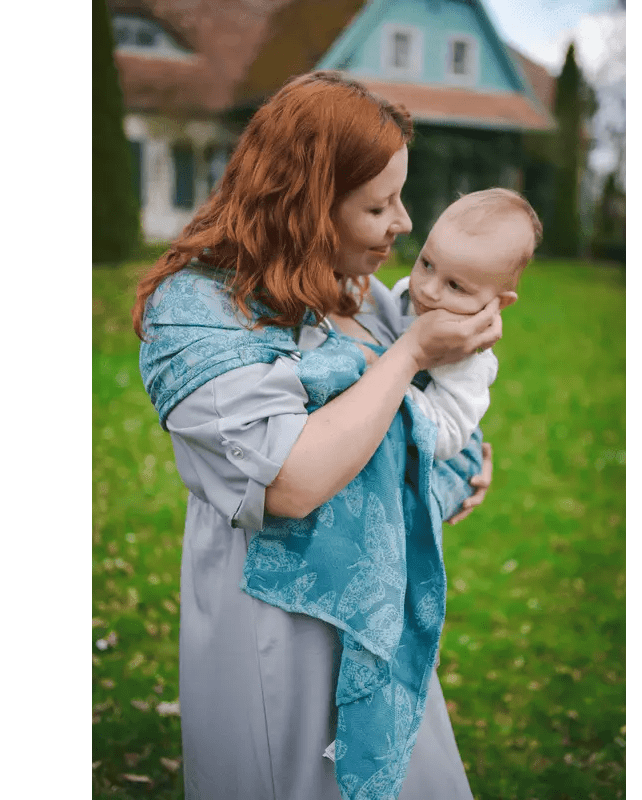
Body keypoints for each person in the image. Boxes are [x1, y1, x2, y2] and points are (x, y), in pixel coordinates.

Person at [132, 71, 504, 800]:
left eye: (400, 195)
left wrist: (455, 463)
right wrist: (410, 354)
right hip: (274, 627)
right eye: (378, 204)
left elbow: (402, 423)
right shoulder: (197, 313)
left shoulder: (350, 292)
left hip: (376, 613)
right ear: (305, 205)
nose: (403, 221)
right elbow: (292, 480)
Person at [392, 188, 543, 460]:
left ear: (499, 303)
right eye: (426, 264)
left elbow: (445, 438)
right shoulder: (405, 294)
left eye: (454, 285)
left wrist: (388, 375)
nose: (428, 290)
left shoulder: (470, 361)